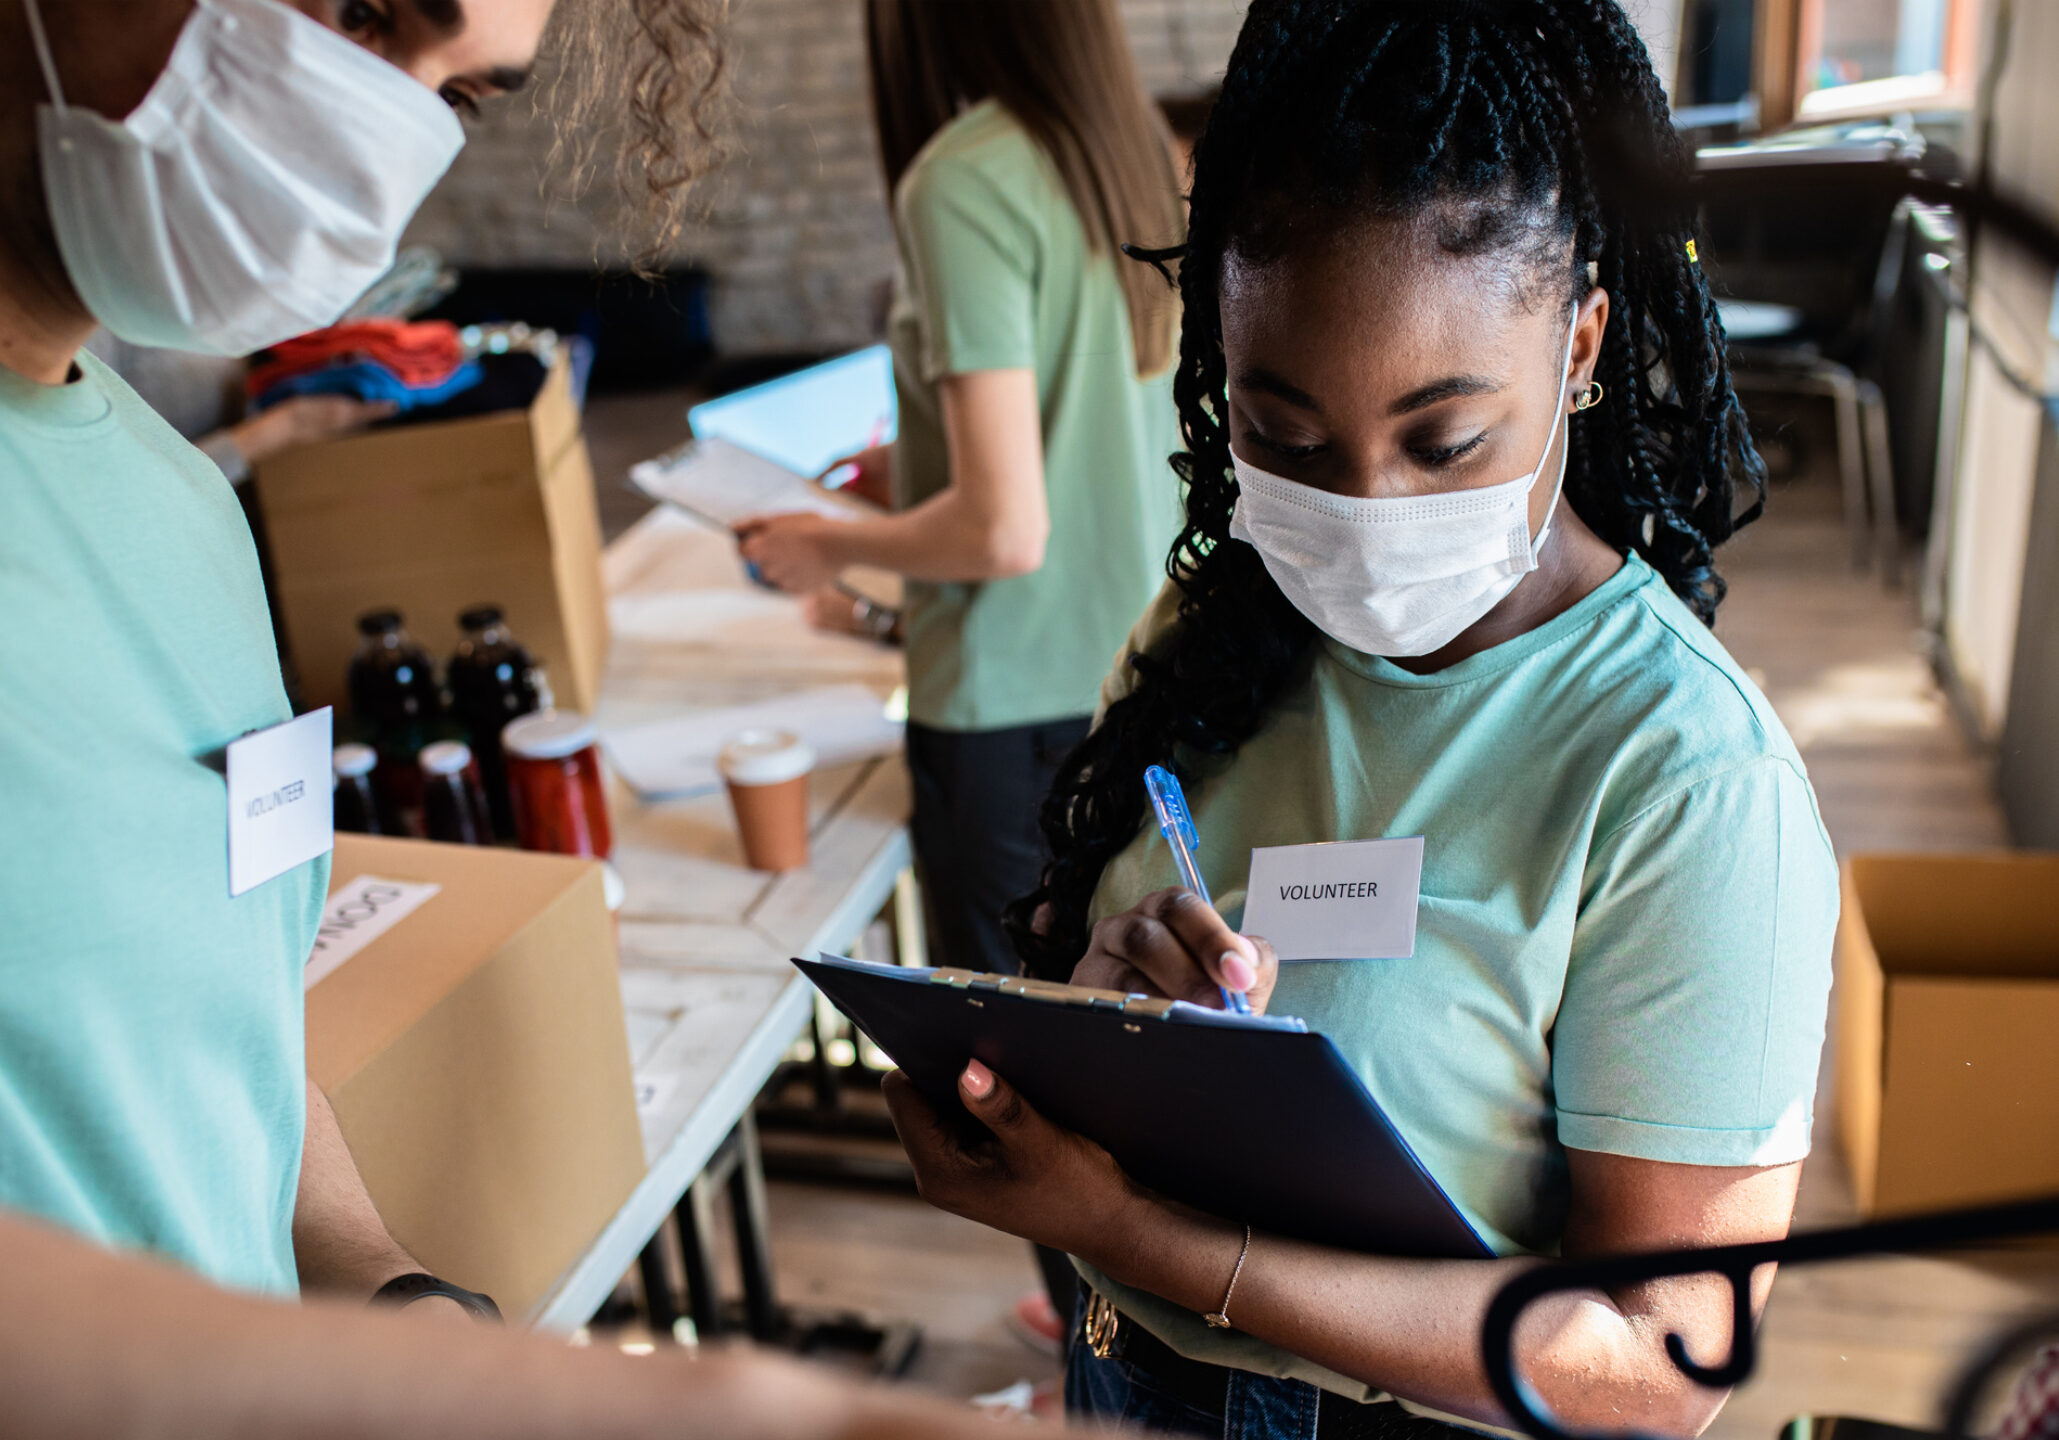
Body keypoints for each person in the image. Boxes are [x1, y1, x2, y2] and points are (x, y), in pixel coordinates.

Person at [0, 1, 1049, 1434]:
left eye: (466, 95)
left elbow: (224, 1038)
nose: (384, 139)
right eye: (368, 17)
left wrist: (385, 1292)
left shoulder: (180, 511)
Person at [878, 3, 1839, 1437]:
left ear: (1578, 345)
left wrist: (1147, 1238)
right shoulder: (1208, 640)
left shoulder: (1689, 781)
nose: (1368, 516)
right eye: (1287, 438)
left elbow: (1656, 1369)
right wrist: (1094, 1025)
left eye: (1445, 439)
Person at [735, 0, 1187, 1354]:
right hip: (1148, 666)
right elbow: (1088, 428)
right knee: (1143, 1051)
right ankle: (1136, 1331)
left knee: (1013, 1087)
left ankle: (1096, 1356)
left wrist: (822, 538)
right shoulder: (1133, 152)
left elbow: (1003, 529)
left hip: (1011, 705)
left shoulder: (963, 175)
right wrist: (902, 481)